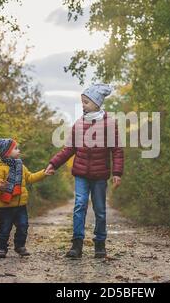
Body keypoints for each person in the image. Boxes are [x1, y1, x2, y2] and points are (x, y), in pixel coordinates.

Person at [45, 84, 124, 259]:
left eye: (86, 102)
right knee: (79, 205)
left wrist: (117, 172)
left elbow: (117, 149)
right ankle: (77, 244)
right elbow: (68, 149)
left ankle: (100, 244)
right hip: (81, 173)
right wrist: (54, 164)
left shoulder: (109, 124)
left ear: (97, 103)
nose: (83, 105)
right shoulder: (79, 124)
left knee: (100, 209)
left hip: (100, 175)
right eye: (82, 102)